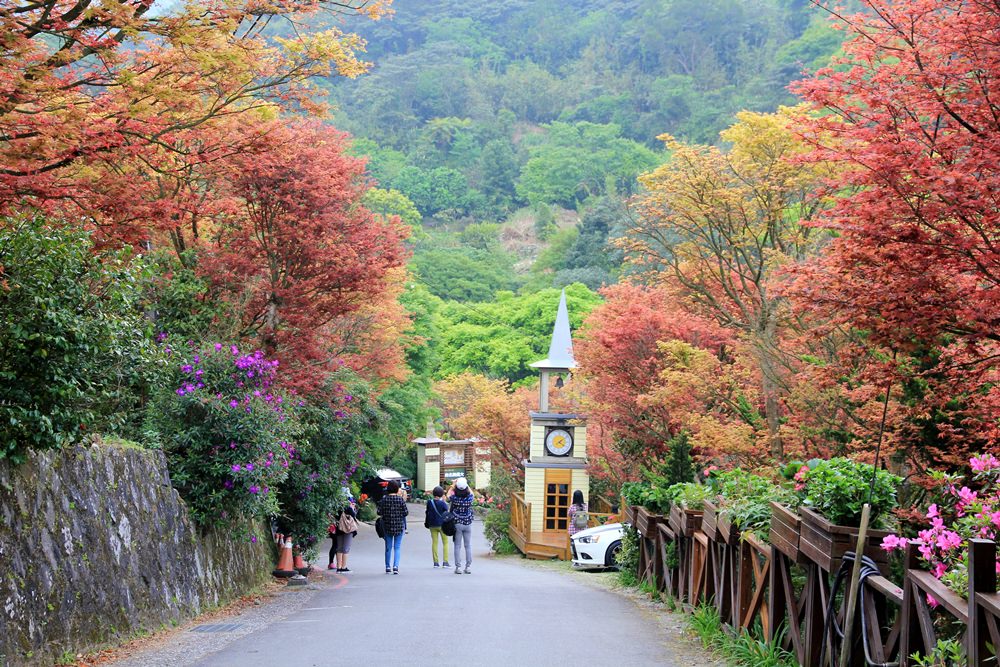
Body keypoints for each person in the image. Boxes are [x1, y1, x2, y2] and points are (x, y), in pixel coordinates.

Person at [377, 480, 408, 574]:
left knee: (388, 547)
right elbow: (406, 512)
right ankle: (395, 566)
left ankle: (387, 567)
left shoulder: (384, 499)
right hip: (399, 526)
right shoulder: (400, 499)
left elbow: (379, 512)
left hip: (387, 526)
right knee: (397, 547)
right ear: (397, 489)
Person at [448, 477, 475, 574]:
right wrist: (466, 485)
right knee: (468, 546)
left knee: (457, 546)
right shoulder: (469, 498)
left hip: (457, 524)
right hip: (468, 524)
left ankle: (458, 567)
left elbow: (448, 495)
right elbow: (472, 494)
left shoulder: (455, 499)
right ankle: (468, 567)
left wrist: (453, 485)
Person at [425, 486, 450, 568]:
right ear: (442, 494)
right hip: (442, 525)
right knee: (445, 543)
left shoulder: (429, 502)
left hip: (432, 525)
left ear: (433, 494)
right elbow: (447, 511)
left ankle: (436, 562)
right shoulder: (443, 503)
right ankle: (445, 562)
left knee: (434, 543)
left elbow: (427, 512)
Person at [334, 498, 358, 573]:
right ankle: (343, 567)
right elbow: (353, 515)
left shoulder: (337, 504)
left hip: (339, 528)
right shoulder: (347, 506)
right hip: (348, 529)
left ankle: (338, 567)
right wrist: (352, 508)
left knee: (339, 547)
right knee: (346, 548)